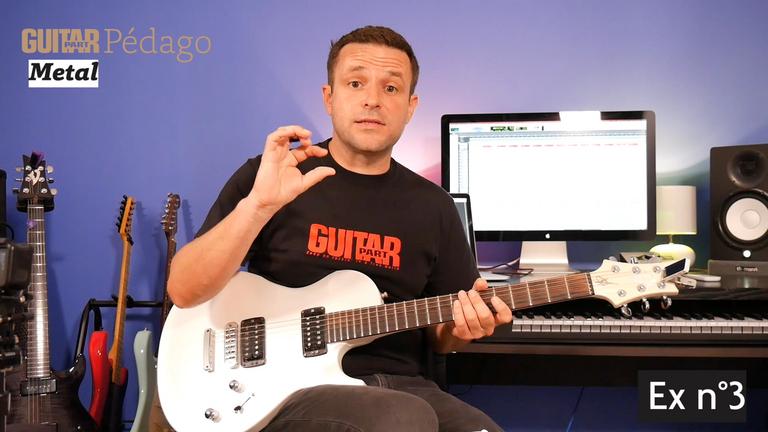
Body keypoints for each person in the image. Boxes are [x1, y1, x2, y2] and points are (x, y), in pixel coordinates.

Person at [168, 25, 512, 432]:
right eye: (355, 83)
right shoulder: (274, 175)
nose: (372, 99)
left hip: (403, 384)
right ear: (329, 98)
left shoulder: (434, 205)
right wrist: (257, 206)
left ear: (410, 106)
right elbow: (184, 290)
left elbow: (443, 333)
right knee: (402, 419)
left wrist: (462, 329)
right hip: (285, 391)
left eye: (390, 88)